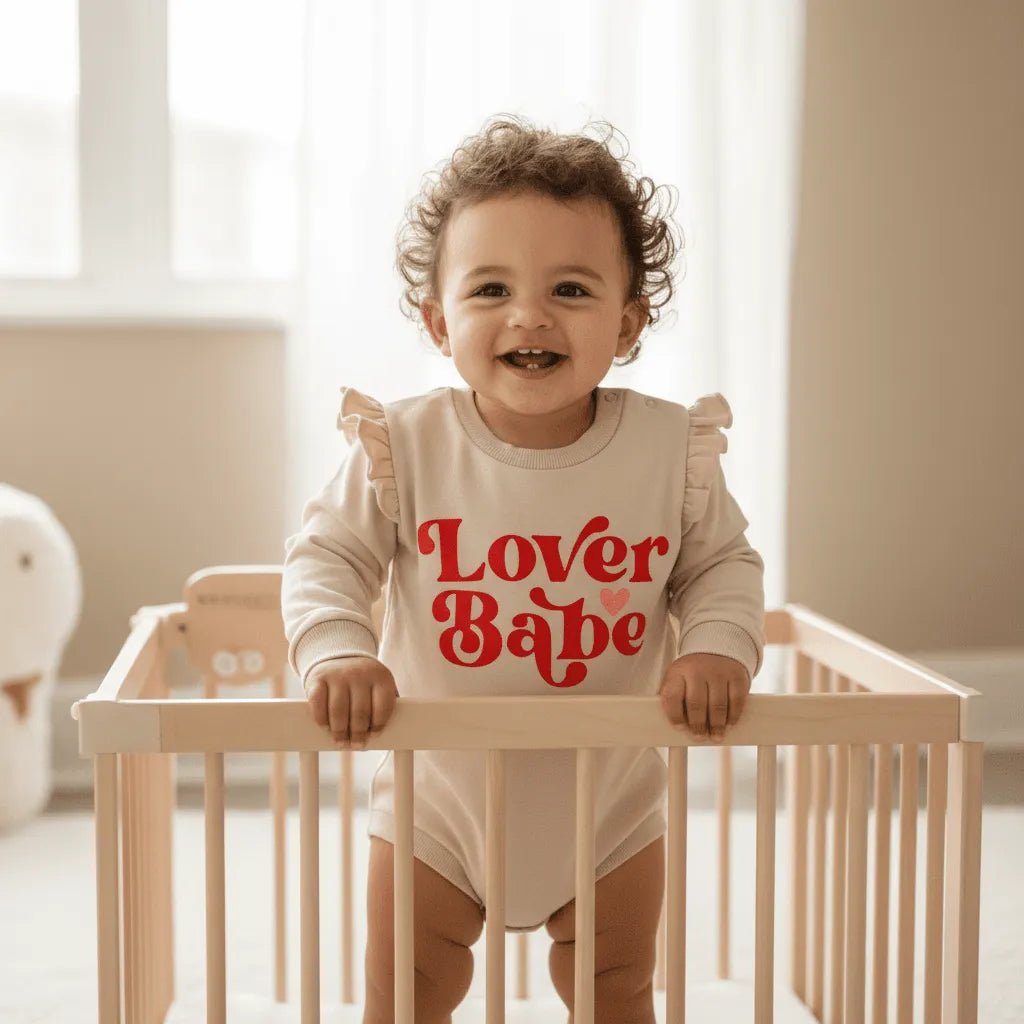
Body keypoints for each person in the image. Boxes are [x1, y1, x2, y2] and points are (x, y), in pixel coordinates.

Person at [282, 113, 765, 1024]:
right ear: (439, 321)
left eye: (571, 289)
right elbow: (328, 558)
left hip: (611, 801)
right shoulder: (404, 445)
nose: (530, 315)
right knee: (405, 989)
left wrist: (717, 648)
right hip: (438, 802)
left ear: (627, 323)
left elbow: (720, 567)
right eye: (491, 287)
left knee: (617, 987)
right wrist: (338, 650)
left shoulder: (672, 451)